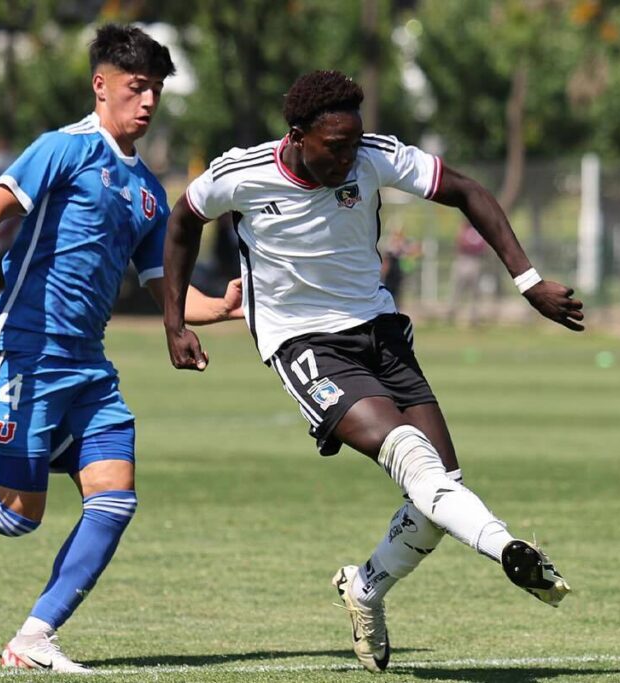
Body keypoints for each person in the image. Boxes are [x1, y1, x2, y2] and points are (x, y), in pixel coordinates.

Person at [163, 70, 584, 673]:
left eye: (354, 143)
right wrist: (175, 320)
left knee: (442, 490)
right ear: (298, 135)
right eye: (335, 146)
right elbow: (182, 222)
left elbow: (467, 191)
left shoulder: (374, 157)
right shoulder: (242, 173)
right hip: (301, 341)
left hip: (379, 331)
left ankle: (364, 589)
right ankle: (509, 549)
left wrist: (528, 281)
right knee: (414, 459)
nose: (348, 157)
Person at [0, 24, 242, 673]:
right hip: (22, 354)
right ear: (101, 86)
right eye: (135, 87)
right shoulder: (62, 150)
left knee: (116, 496)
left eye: (155, 90)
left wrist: (223, 306)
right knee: (17, 516)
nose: (147, 102)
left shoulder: (148, 191)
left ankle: (34, 636)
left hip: (88, 369)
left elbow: (165, 291)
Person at [447, 221, 490, 325]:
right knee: (457, 290)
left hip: (475, 260)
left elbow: (483, 248)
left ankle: (473, 317)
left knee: (475, 292)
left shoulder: (479, 230)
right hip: (463, 259)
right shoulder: (464, 229)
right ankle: (451, 314)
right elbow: (459, 243)